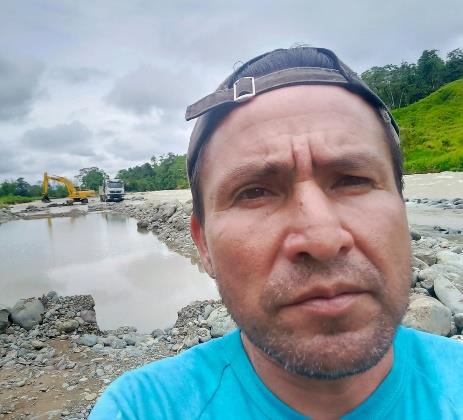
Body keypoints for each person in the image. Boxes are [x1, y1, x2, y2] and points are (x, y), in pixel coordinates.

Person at [90, 47, 463, 419]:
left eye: (353, 180)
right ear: (203, 244)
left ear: (402, 208)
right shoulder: (142, 409)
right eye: (255, 192)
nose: (321, 239)